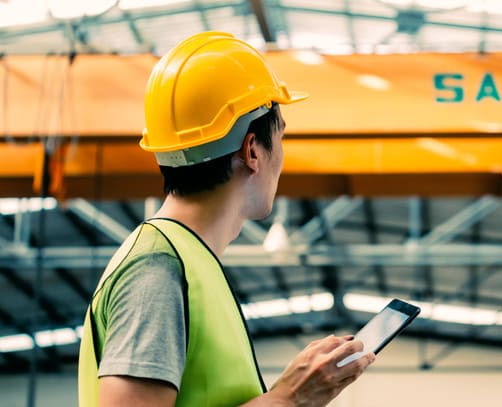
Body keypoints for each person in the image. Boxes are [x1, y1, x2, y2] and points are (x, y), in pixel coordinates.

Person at [77, 31, 375, 406]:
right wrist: (287, 399)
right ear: (252, 149)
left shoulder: (188, 263)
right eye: (280, 137)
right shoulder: (158, 269)